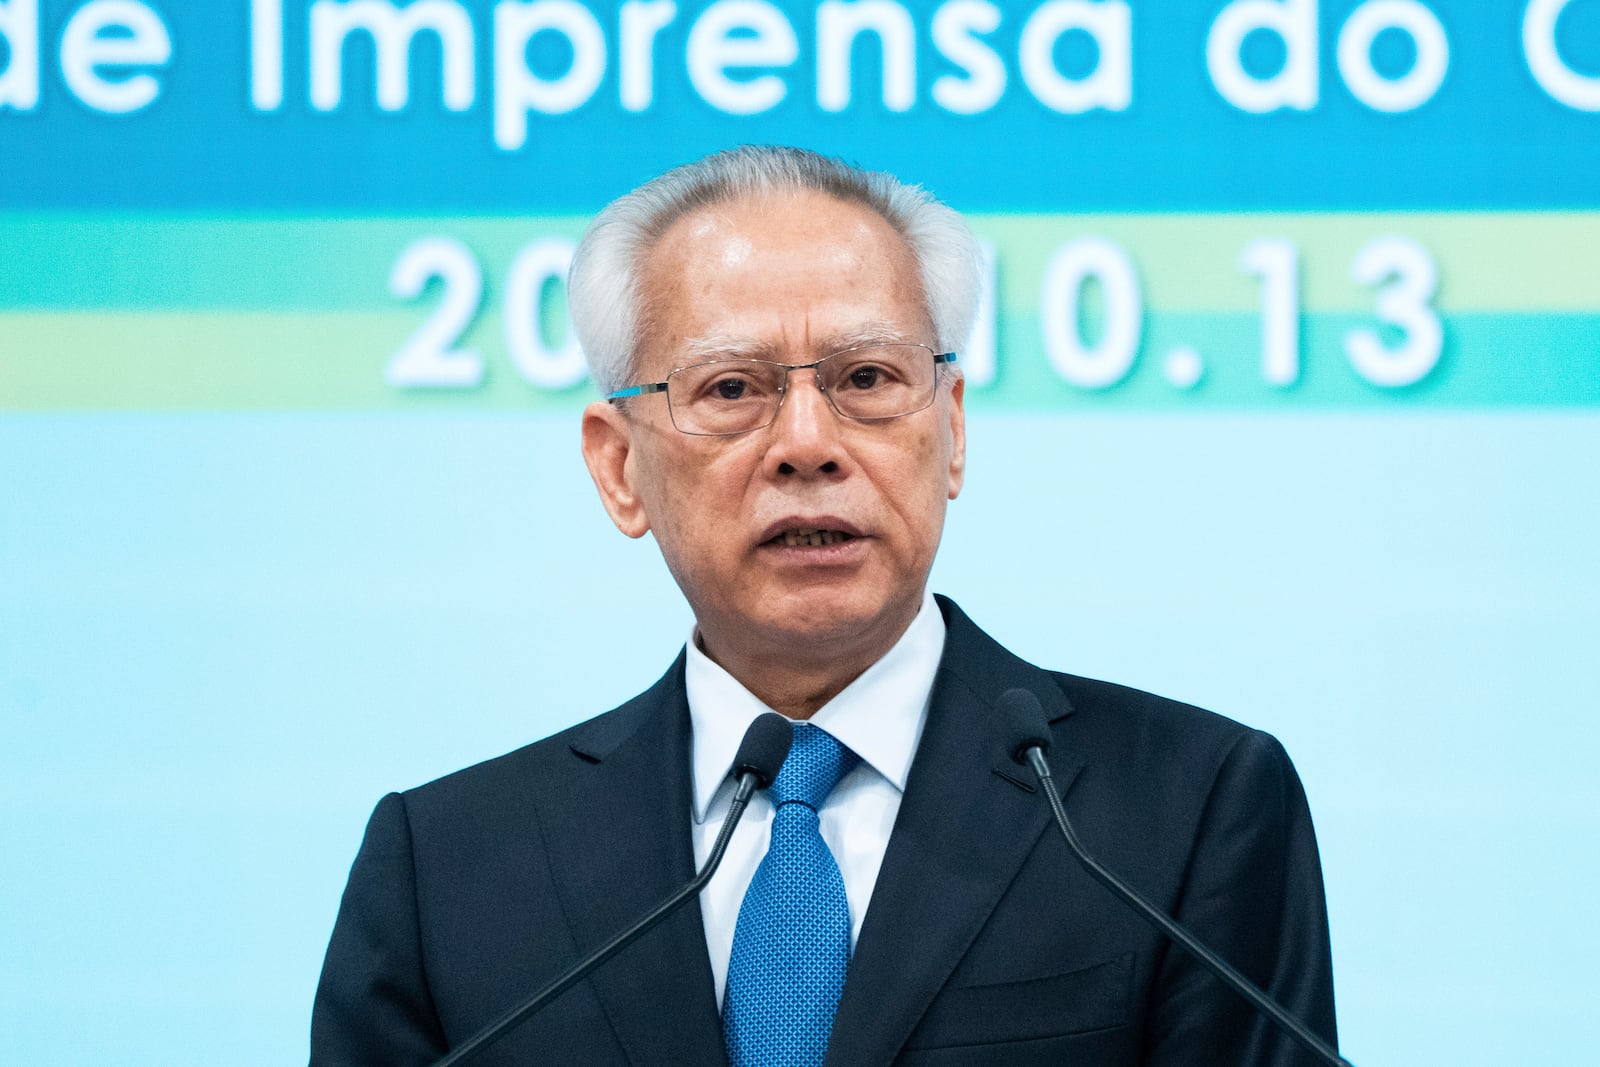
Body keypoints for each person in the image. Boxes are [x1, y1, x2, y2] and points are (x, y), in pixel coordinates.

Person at [310, 146, 1338, 1066]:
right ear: (618, 466)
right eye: (730, 388)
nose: (809, 441)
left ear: (952, 430)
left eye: (866, 376)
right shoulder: (447, 866)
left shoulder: (1180, 810)